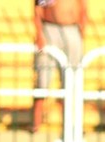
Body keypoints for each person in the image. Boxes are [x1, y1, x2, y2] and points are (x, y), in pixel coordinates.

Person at [32, 0, 87, 133]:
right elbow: (38, 9)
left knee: (71, 82)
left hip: (72, 29)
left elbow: (83, 7)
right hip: (50, 29)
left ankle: (71, 125)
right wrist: (40, 34)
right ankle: (36, 123)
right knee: (43, 80)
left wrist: (82, 29)